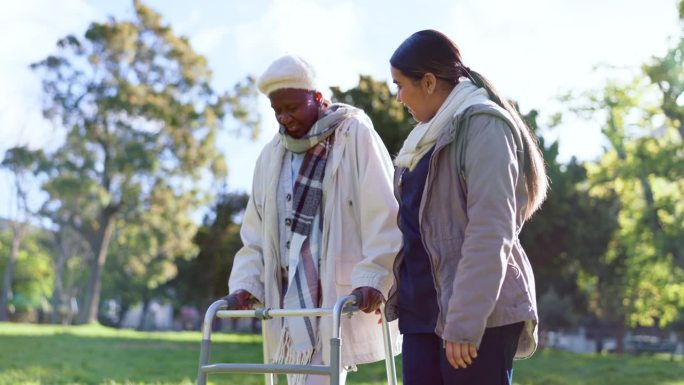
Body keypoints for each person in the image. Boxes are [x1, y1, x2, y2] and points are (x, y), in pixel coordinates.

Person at [224, 54, 402, 385]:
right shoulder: (270, 155)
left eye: (292, 107)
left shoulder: (354, 135)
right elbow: (256, 232)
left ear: (318, 98)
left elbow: (383, 211)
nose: (284, 117)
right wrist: (246, 285)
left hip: (336, 290)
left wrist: (375, 276)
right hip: (287, 295)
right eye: (276, 110)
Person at [384, 30, 548, 385]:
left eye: (400, 85)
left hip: (476, 319)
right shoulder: (422, 140)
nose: (397, 97)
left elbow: (491, 229)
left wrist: (465, 321)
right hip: (422, 317)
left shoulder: (483, 126)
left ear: (428, 82)